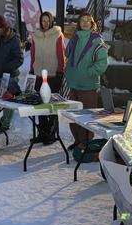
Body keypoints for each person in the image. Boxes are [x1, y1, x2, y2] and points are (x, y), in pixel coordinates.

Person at [64, 13, 108, 148]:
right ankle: (77, 140)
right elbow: (67, 54)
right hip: (73, 83)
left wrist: (88, 73)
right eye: (82, 20)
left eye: (88, 21)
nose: (84, 23)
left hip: (88, 85)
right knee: (73, 116)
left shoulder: (97, 39)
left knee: (87, 116)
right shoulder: (75, 37)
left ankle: (86, 142)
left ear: (92, 24)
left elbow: (102, 63)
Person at [30, 11, 66, 144]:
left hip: (52, 74)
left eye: (47, 21)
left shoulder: (57, 34)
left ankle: (51, 134)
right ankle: (42, 133)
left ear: (51, 21)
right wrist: (32, 68)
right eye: (43, 21)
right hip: (39, 74)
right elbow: (33, 53)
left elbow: (61, 53)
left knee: (51, 105)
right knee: (40, 105)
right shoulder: (36, 36)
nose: (45, 23)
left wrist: (60, 71)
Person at [0, 15, 23, 131]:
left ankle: (5, 124)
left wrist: (5, 68)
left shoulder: (14, 39)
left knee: (8, 103)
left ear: (4, 27)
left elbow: (19, 59)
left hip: (10, 77)